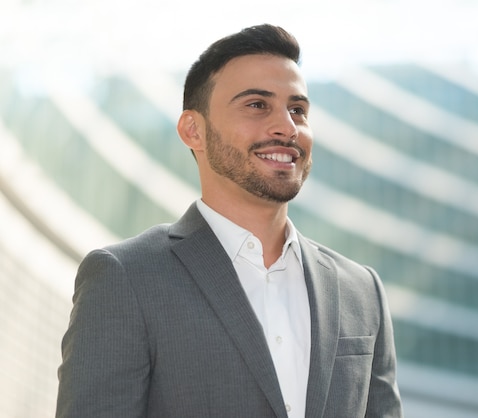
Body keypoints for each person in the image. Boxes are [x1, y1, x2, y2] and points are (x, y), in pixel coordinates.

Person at [56, 24, 403, 418]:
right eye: (257, 105)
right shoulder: (126, 278)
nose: (287, 127)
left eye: (298, 110)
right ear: (193, 130)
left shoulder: (362, 291)